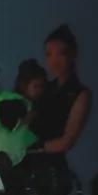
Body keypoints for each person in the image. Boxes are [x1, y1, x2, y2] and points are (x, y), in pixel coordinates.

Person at [27, 24, 92, 169]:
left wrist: (34, 147)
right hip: (26, 164)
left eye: (60, 54)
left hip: (51, 168)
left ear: (73, 54)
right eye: (49, 55)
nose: (54, 61)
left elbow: (67, 141)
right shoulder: (45, 89)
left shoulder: (80, 94)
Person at [0, 60, 44, 166]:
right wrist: (28, 118)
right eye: (36, 86)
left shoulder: (20, 102)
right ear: (24, 85)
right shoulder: (12, 102)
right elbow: (10, 124)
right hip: (4, 152)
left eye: (42, 87)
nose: (40, 91)